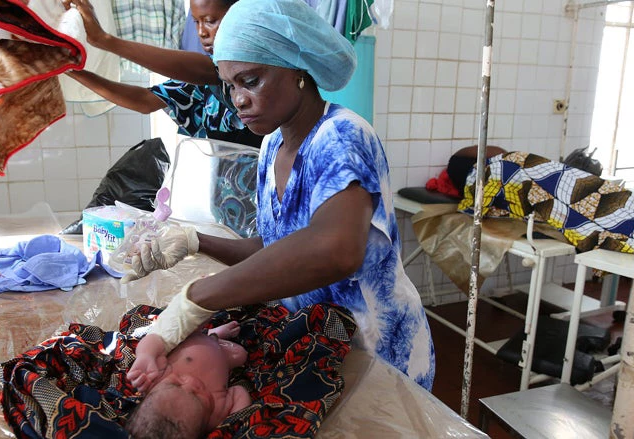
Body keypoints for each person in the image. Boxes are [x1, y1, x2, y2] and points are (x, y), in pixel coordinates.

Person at [125, 0, 436, 391]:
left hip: (377, 352)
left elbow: (334, 249)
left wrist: (193, 303)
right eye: (230, 85)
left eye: (251, 80)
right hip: (319, 347)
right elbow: (278, 247)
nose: (238, 100)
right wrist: (193, 241)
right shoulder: (272, 146)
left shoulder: (340, 137)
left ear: (296, 70)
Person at [64, 0, 263, 147]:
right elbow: (145, 100)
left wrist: (105, 40)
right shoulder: (198, 83)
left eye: (210, 21)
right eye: (196, 22)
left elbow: (209, 71)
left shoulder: (258, 60)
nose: (201, 32)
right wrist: (71, 70)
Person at [125, 321, 252, 439]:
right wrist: (236, 419)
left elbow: (154, 339)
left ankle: (212, 333)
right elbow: (239, 392)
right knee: (241, 355)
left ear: (149, 393)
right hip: (223, 355)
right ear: (203, 424)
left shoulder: (153, 379)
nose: (191, 382)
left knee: (189, 321)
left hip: (191, 337)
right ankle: (217, 337)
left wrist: (146, 355)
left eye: (176, 383)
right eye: (196, 396)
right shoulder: (216, 416)